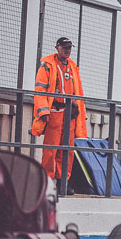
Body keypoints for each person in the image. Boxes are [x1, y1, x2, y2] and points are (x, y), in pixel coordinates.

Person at [31, 36, 88, 187]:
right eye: (65, 47)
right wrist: (44, 112)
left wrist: (80, 110)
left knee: (67, 150)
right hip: (55, 112)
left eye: (69, 47)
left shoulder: (73, 67)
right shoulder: (48, 66)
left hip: (70, 115)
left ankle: (63, 181)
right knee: (51, 149)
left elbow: (78, 92)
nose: (68, 50)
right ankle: (48, 181)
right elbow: (40, 90)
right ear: (57, 48)